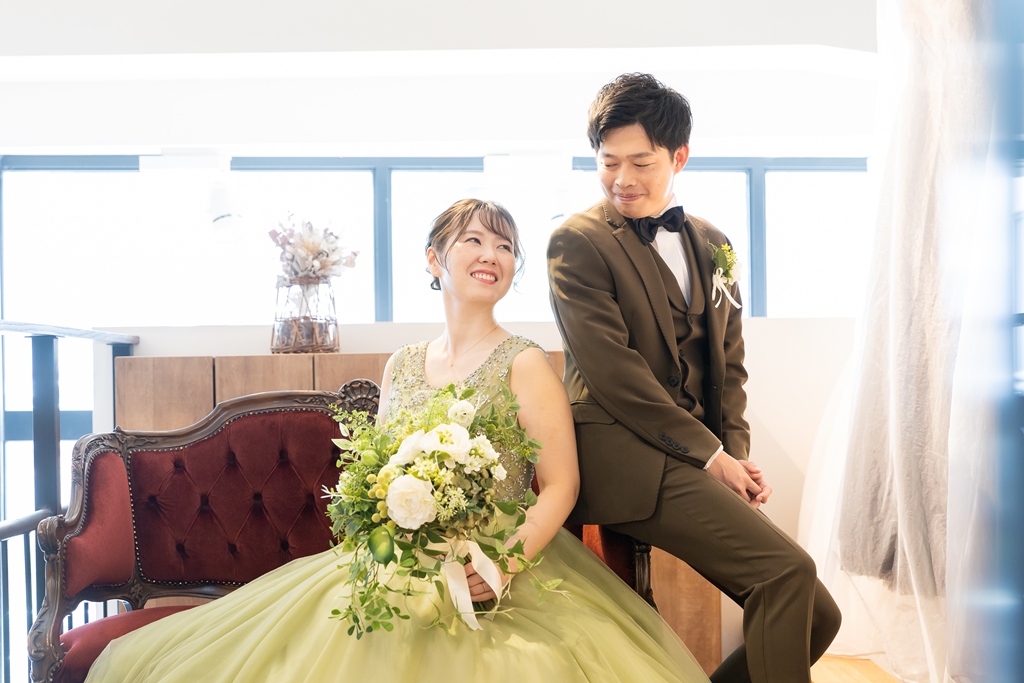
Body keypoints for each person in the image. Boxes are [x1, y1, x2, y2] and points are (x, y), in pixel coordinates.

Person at [85, 198, 711, 683]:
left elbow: (561, 485)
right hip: (397, 558)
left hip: (497, 557)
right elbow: (380, 475)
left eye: (505, 246)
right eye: (473, 240)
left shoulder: (525, 363)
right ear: (435, 260)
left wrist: (502, 563)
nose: (492, 254)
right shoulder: (403, 364)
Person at [546, 74, 842, 683]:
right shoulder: (577, 241)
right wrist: (711, 456)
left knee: (819, 615)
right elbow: (613, 374)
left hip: (695, 459)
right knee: (785, 573)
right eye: (608, 162)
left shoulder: (713, 244)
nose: (622, 179)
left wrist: (735, 456)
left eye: (641, 163)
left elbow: (728, 364)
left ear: (679, 157)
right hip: (623, 458)